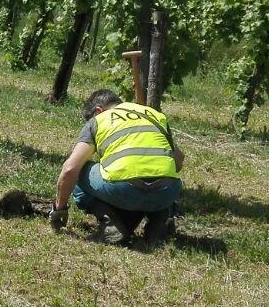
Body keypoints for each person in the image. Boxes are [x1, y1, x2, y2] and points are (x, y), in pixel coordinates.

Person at [50, 88, 183, 244]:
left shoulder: (99, 120)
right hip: (166, 193)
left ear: (98, 111)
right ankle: (159, 224)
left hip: (124, 190)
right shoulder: (155, 115)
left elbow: (70, 169)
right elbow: (178, 161)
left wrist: (59, 209)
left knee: (80, 170)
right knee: (165, 174)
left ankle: (110, 224)